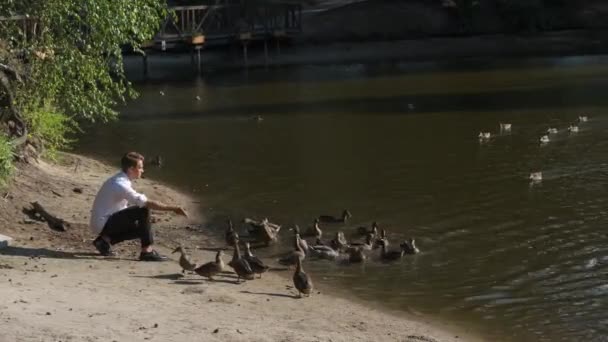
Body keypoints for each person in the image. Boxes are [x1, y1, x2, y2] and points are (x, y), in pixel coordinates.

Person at [90, 152, 188, 261]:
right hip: (103, 222)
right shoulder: (120, 184)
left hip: (103, 221)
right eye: (140, 167)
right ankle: (147, 252)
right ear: (131, 169)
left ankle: (104, 241)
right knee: (143, 210)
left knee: (144, 227)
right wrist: (174, 208)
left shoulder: (120, 179)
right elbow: (145, 203)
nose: (143, 170)